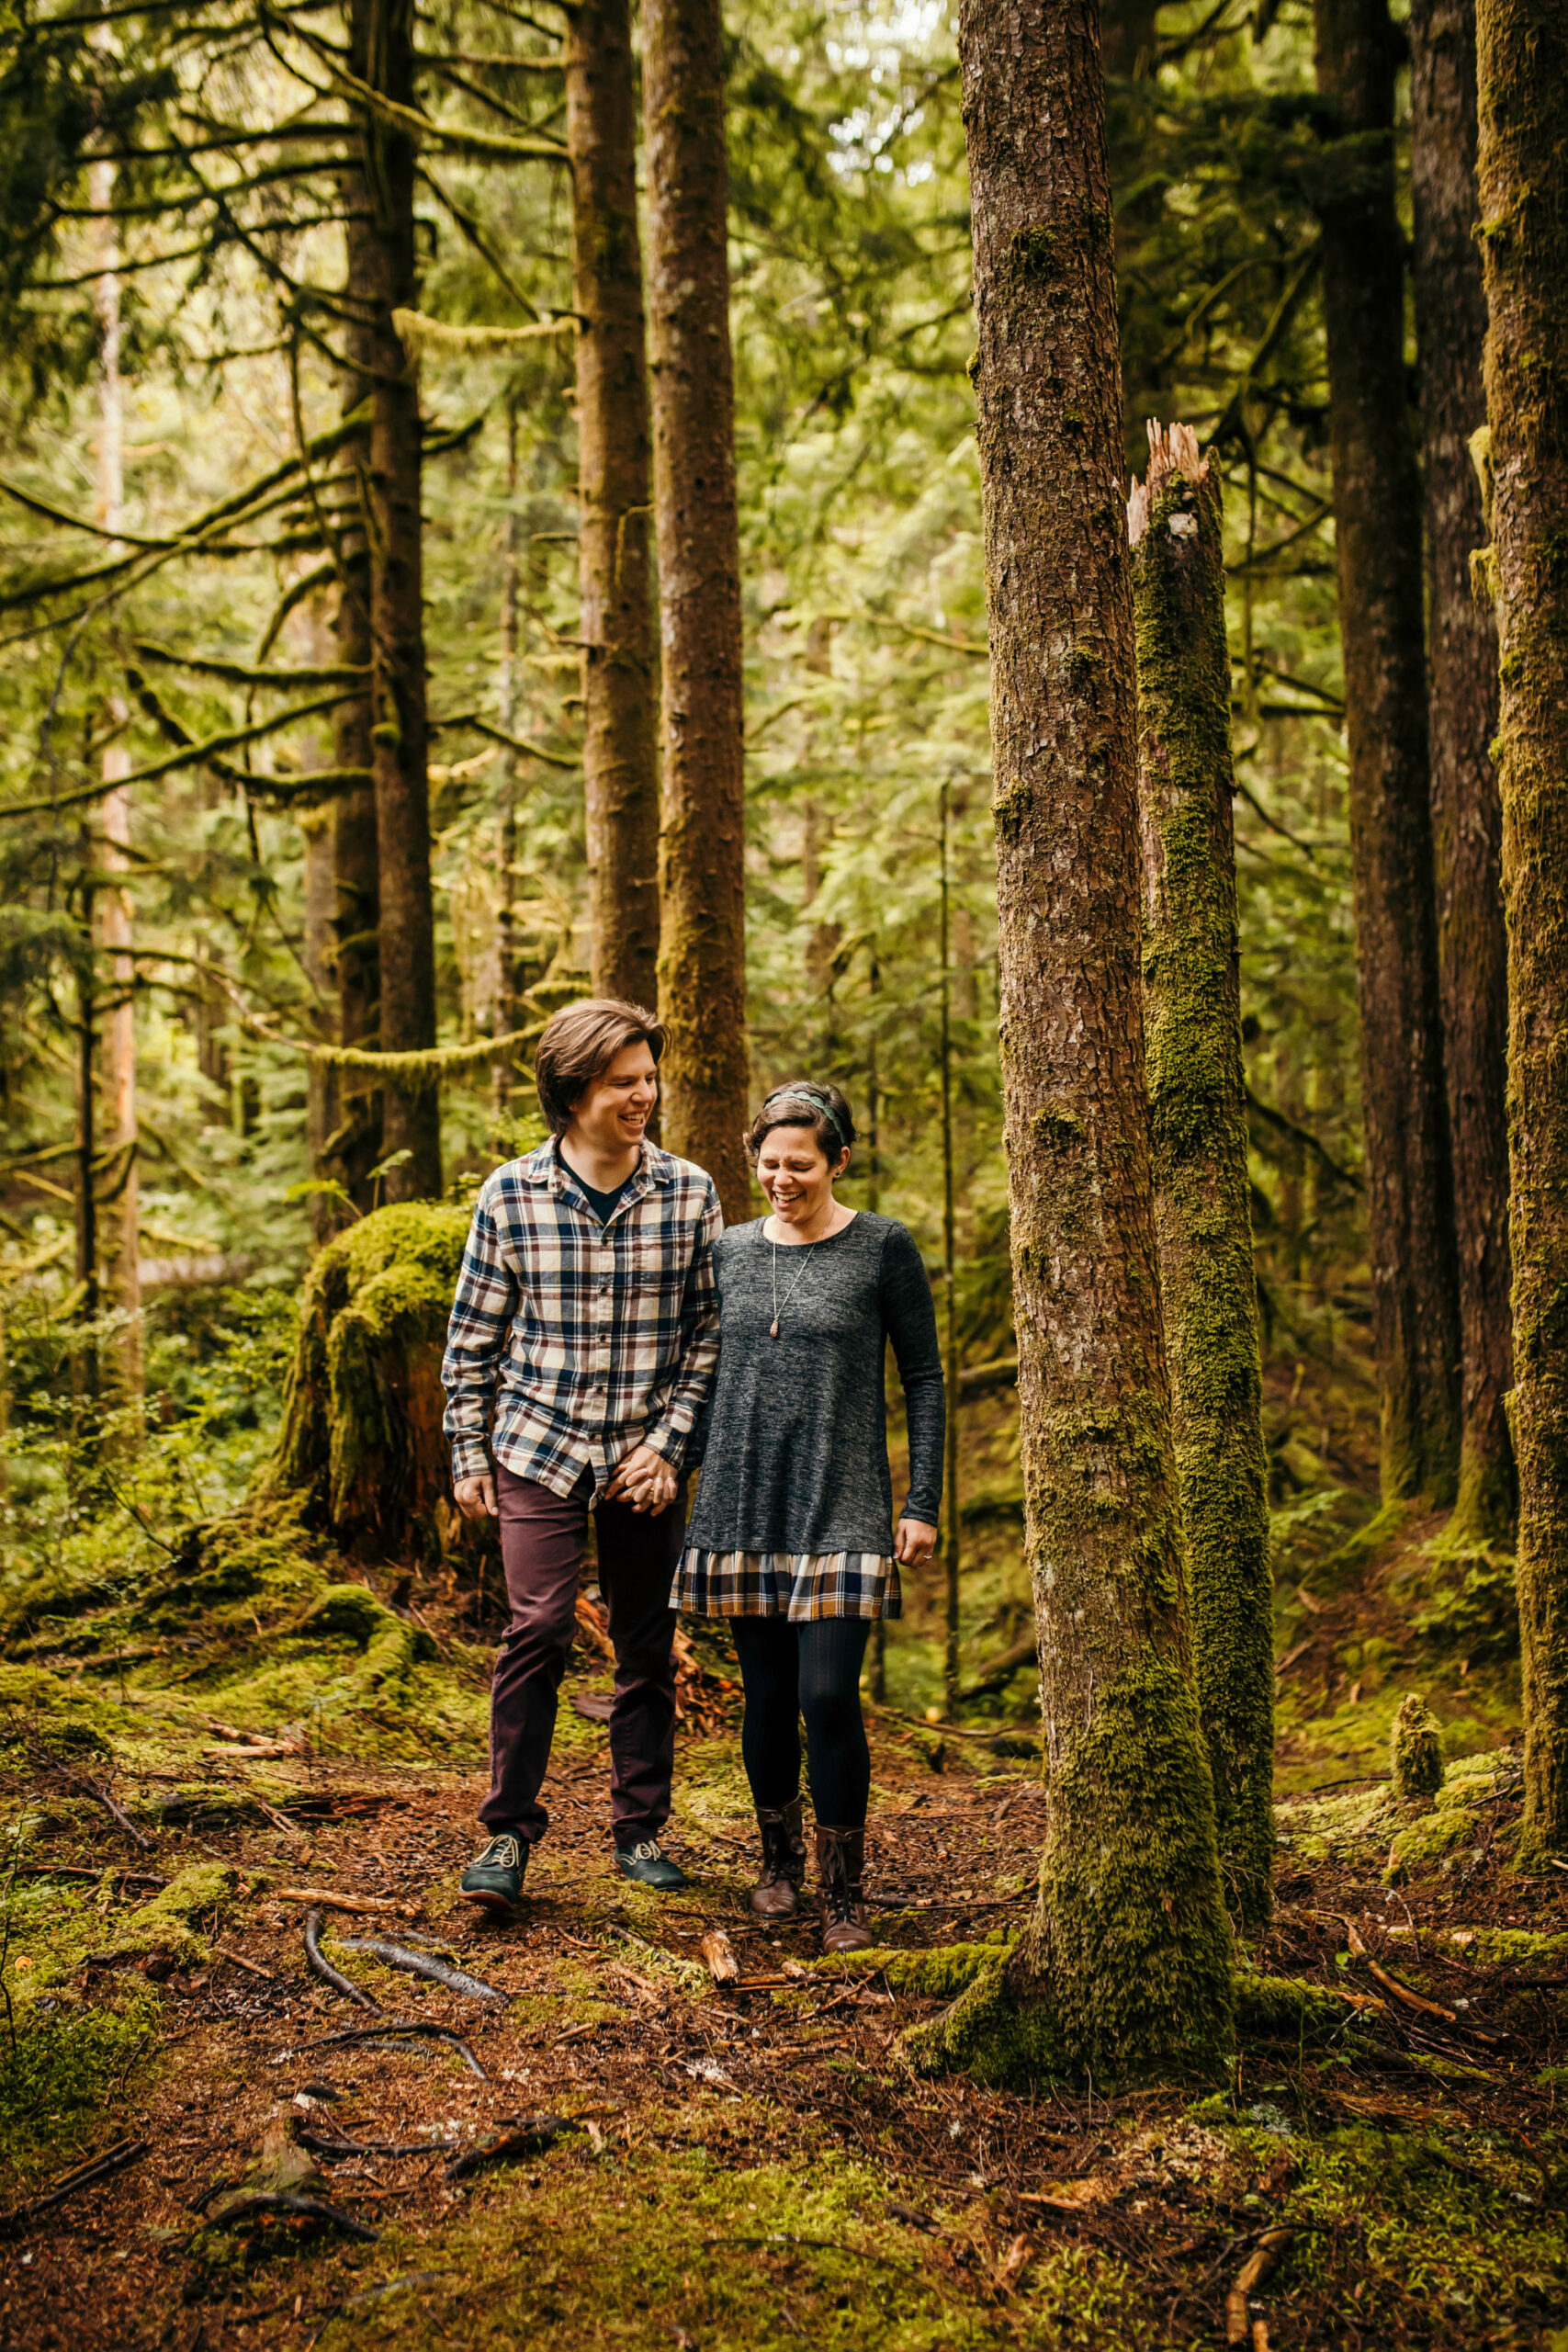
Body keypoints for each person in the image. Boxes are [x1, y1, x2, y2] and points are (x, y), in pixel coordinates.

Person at [442, 998, 720, 1918]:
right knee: (539, 1630)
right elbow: (472, 1341)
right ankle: (507, 1833)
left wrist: (670, 1447)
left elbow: (707, 1337)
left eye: (649, 1077)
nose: (644, 1094)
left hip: (642, 1457)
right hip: (537, 1446)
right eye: (623, 1082)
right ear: (573, 1093)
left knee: (645, 1640)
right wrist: (468, 1452)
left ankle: (639, 1834)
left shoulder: (689, 1191)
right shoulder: (510, 1194)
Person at [673, 1081, 943, 1952]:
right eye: (768, 1164)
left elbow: (925, 1381)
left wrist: (922, 1501)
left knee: (828, 1697)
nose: (781, 1179)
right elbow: (698, 1371)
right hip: (742, 1500)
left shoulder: (882, 1248)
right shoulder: (729, 1253)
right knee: (767, 1697)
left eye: (800, 1164)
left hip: (843, 1502)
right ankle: (777, 1866)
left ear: (838, 1162)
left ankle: (844, 1896)